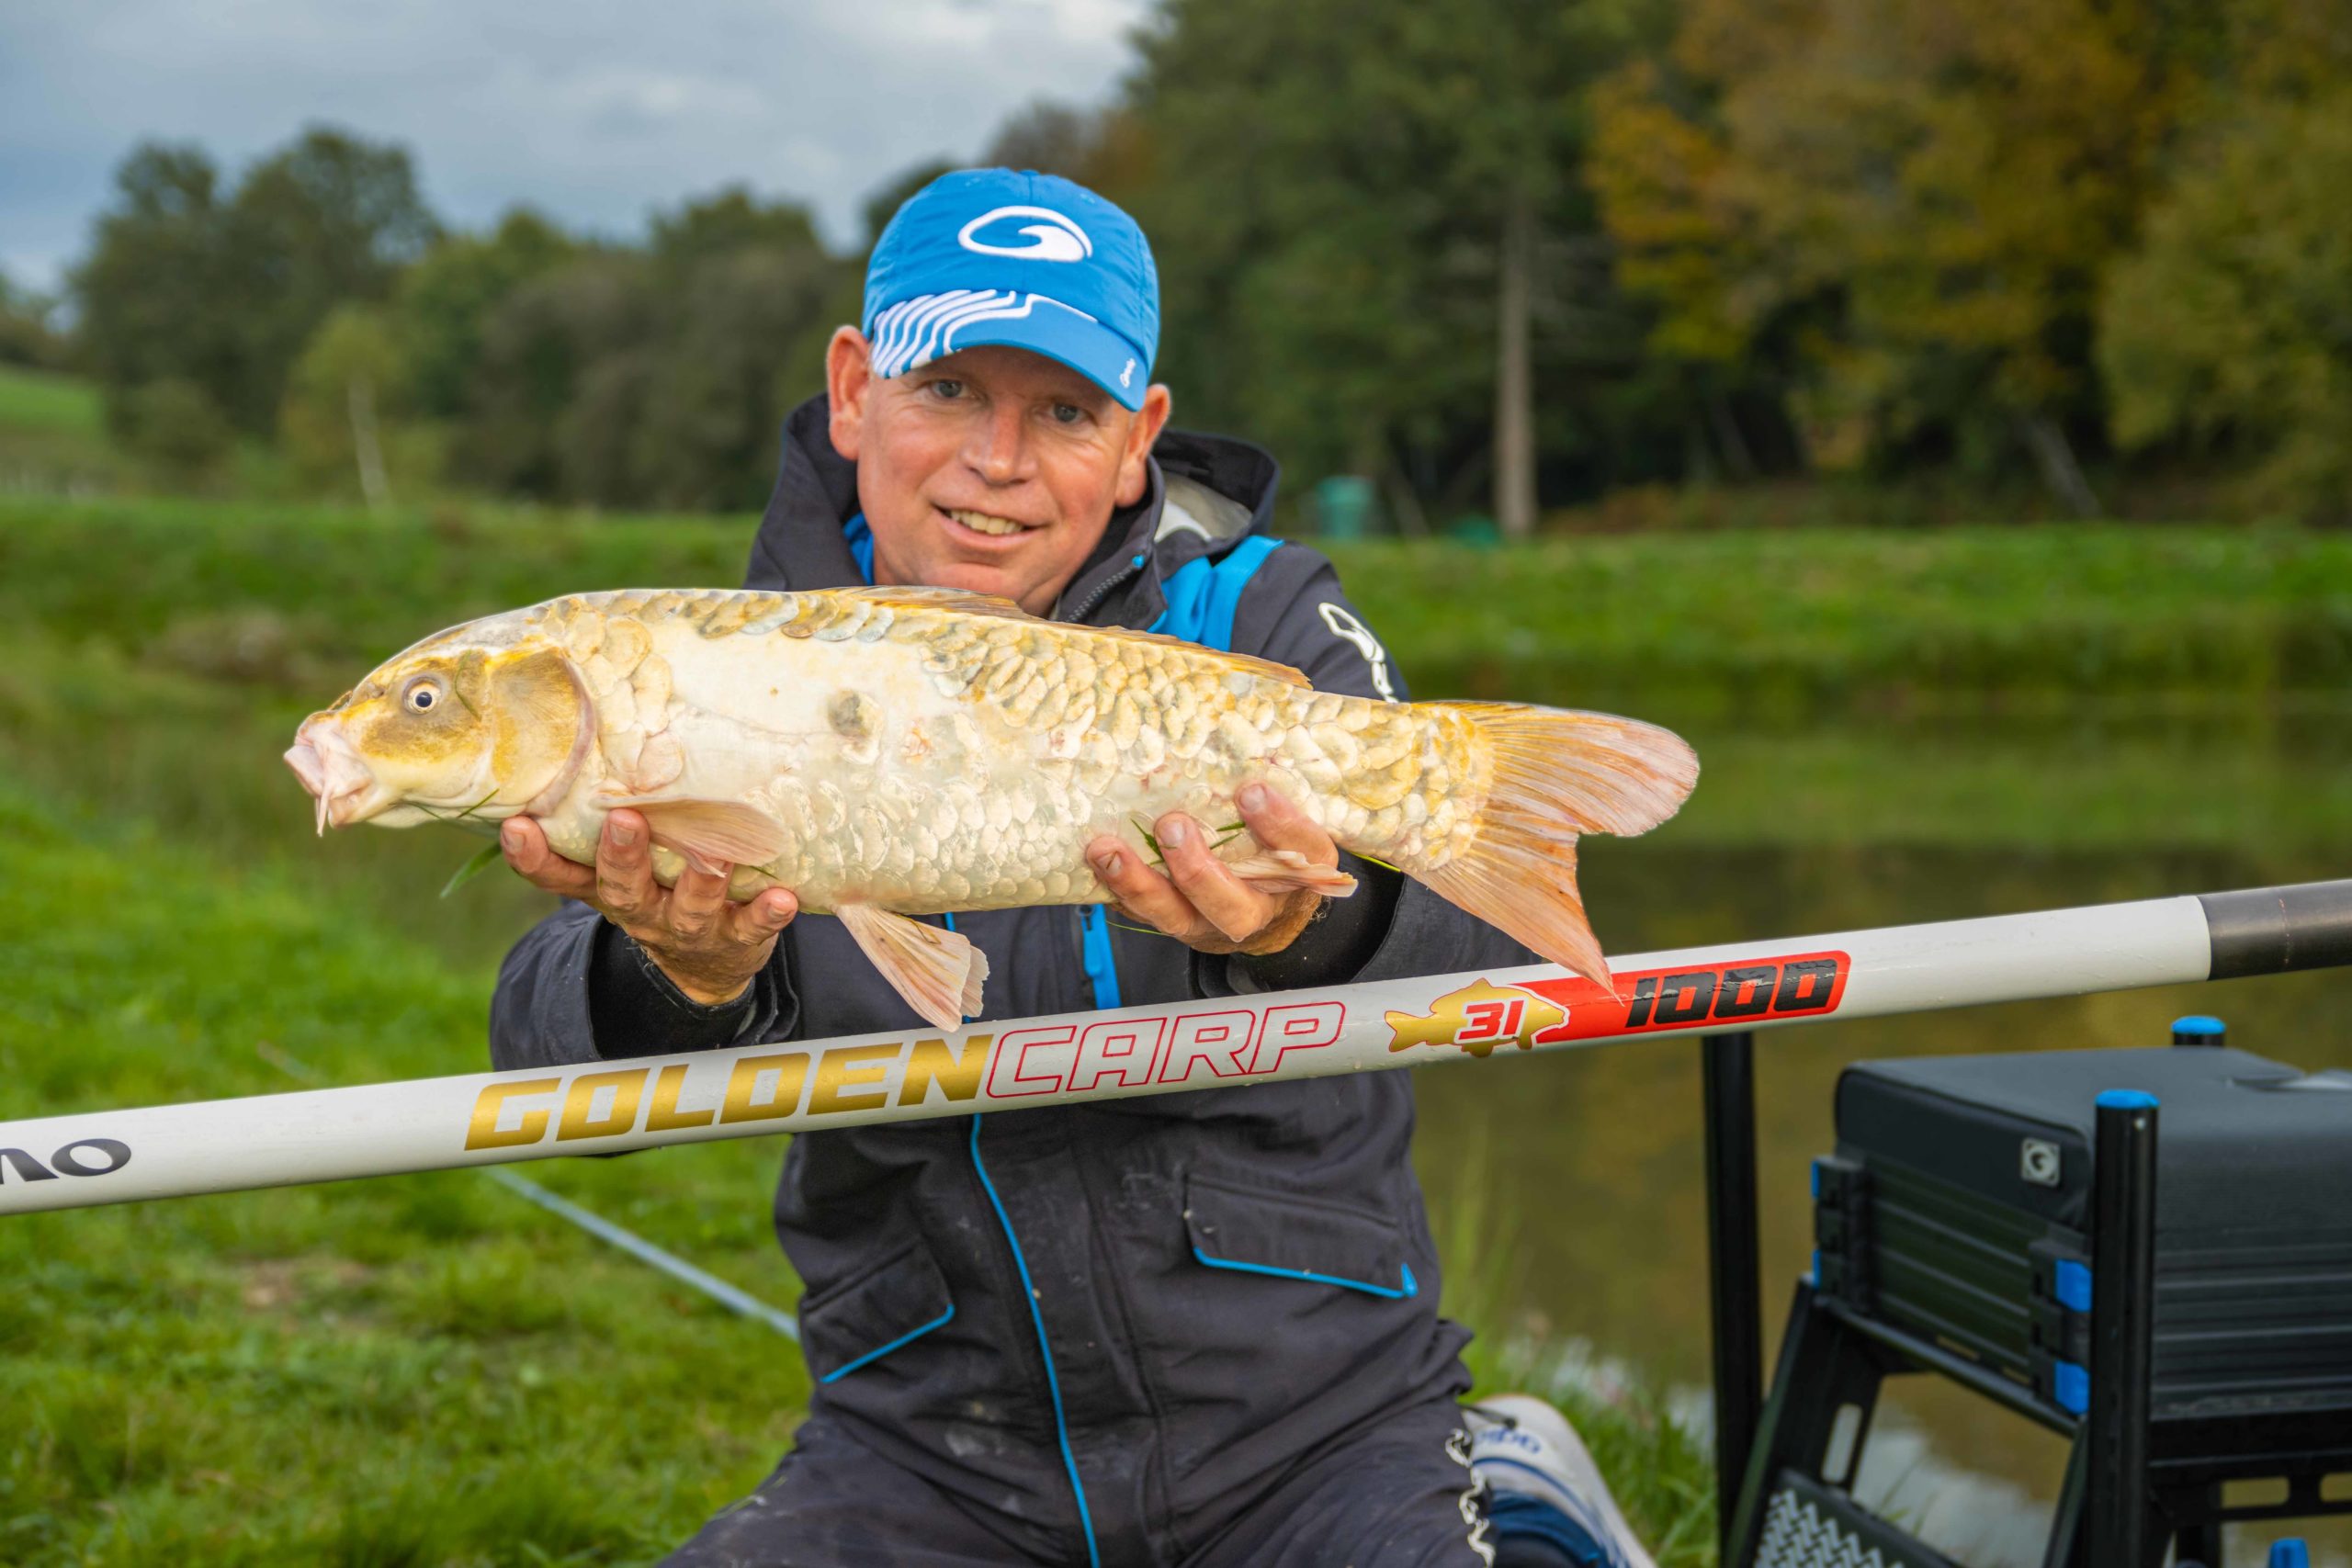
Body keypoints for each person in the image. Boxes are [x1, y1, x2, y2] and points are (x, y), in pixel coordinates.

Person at [488, 168, 1653, 1568]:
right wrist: (677, 971)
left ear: (1137, 435)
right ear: (854, 390)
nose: (1000, 459)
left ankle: (1516, 1479)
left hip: (1316, 1428)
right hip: (927, 1446)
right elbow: (541, 1058)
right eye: (949, 392)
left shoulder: (1260, 620)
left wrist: (1306, 933)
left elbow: (1505, 957)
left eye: (1064, 412)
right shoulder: (720, 669)